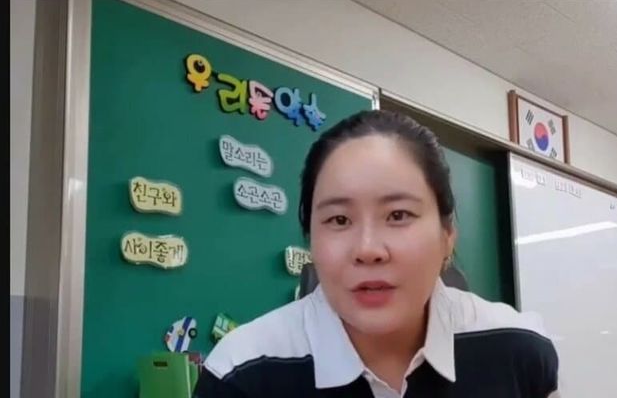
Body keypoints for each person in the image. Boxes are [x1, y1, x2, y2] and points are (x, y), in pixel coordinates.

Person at [193, 109, 561, 396]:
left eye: (398, 215)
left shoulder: (518, 348)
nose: (367, 249)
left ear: (447, 234)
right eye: (339, 220)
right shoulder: (242, 372)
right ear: (311, 240)